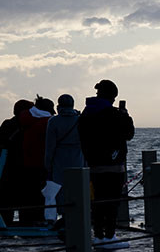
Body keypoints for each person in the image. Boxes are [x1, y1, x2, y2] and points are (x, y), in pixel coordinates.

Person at [78, 79, 135, 240]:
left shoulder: (86, 113)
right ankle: (110, 235)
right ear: (112, 97)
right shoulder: (115, 114)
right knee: (112, 202)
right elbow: (129, 134)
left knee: (96, 202)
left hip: (92, 165)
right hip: (113, 165)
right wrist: (125, 116)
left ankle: (98, 234)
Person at [0, 99, 33, 227]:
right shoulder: (29, 125)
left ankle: (4, 230)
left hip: (6, 170)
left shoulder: (7, 124)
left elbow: (1, 142)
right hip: (25, 169)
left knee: (5, 205)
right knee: (26, 205)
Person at [44, 94, 84, 223]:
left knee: (59, 190)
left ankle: (62, 216)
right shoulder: (80, 120)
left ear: (58, 105)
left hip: (59, 159)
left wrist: (47, 165)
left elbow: (50, 147)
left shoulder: (53, 121)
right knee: (77, 188)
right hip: (78, 157)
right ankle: (76, 216)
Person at [18, 96, 54, 226]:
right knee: (42, 195)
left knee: (28, 195)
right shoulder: (48, 122)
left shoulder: (25, 120)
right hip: (43, 164)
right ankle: (41, 221)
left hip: (26, 163)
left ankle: (26, 221)